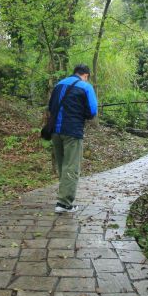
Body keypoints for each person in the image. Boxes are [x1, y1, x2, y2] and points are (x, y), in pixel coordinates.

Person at [48, 64, 97, 213]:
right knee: (72, 166)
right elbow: (92, 111)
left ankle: (62, 198)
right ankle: (64, 204)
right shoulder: (86, 87)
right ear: (86, 75)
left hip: (55, 131)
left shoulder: (58, 85)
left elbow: (51, 107)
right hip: (73, 132)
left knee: (63, 165)